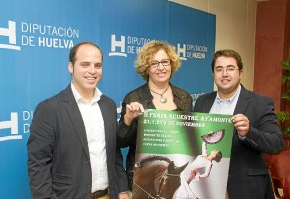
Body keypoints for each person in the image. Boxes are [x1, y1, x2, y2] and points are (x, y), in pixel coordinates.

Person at [27, 42, 129, 199]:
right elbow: (38, 165)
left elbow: (114, 153)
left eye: (98, 65)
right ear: (71, 67)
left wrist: (122, 189)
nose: (92, 71)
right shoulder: (49, 109)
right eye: (85, 64)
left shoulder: (108, 105)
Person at [194, 49, 284, 199]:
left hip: (245, 188)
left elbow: (277, 144)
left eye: (230, 68)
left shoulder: (260, 103)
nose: (224, 74)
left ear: (240, 73)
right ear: (213, 74)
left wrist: (249, 132)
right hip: (208, 185)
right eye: (219, 69)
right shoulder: (202, 102)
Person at [117, 40, 193, 191]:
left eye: (165, 62)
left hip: (173, 177)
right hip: (143, 179)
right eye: (154, 63)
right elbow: (121, 142)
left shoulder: (184, 97)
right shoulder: (134, 98)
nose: (161, 68)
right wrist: (128, 119)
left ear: (172, 65)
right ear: (146, 68)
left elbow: (188, 140)